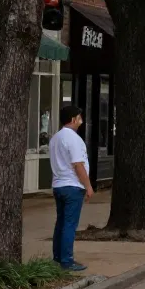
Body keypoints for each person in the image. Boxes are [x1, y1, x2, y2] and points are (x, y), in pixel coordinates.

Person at [49, 105, 93, 271]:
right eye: (79, 118)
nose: (81, 121)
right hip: (72, 186)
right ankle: (67, 260)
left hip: (58, 185)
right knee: (69, 225)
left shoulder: (56, 138)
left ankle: (57, 257)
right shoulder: (73, 139)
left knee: (61, 223)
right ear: (73, 119)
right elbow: (78, 164)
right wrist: (88, 186)